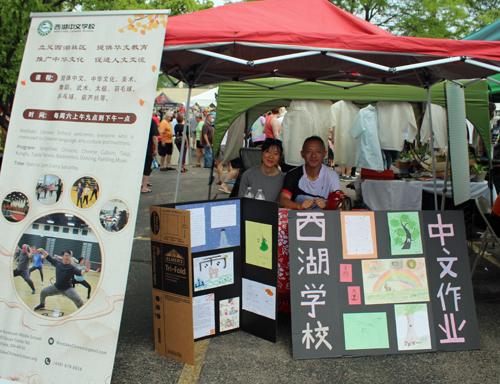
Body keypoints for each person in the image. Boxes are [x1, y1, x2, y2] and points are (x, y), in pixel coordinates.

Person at [280, 136, 341, 210]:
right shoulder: (292, 175)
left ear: (324, 154)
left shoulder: (332, 176)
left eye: (318, 151)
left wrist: (326, 205)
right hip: (299, 218)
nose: (313, 155)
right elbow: (283, 200)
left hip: (325, 219)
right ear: (302, 154)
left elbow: (339, 202)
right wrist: (300, 206)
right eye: (309, 151)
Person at [238, 138, 285, 202]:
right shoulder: (248, 175)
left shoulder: (283, 178)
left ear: (279, 157)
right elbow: (241, 202)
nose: (271, 156)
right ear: (261, 153)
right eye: (268, 152)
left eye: (276, 153)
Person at [142, 118, 159, 194]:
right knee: (147, 167)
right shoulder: (151, 121)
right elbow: (154, 137)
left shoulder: (138, 117)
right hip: (147, 148)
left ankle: (141, 183)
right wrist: (156, 148)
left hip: (135, 147)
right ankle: (144, 187)